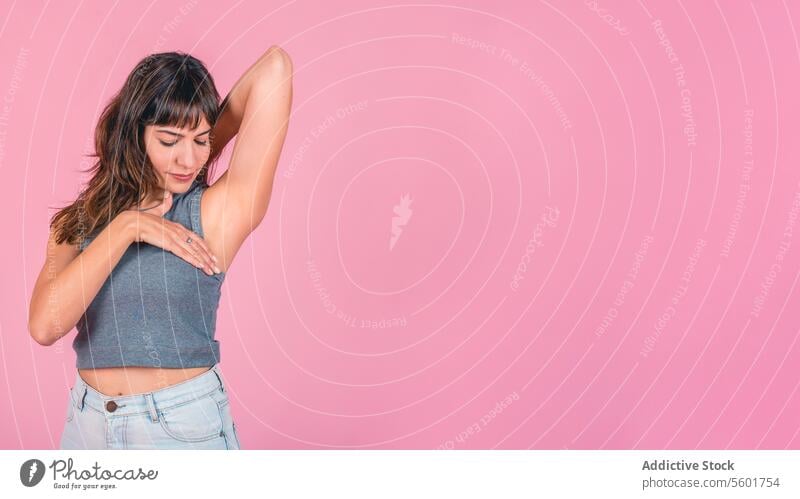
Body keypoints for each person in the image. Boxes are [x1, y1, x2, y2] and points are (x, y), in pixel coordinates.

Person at [27, 46, 293, 449]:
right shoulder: (78, 223)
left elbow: (275, 68)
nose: (188, 158)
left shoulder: (211, 213)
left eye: (200, 140)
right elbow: (45, 326)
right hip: (87, 427)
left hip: (181, 428)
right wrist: (127, 227)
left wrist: (195, 134)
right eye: (170, 140)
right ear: (135, 135)